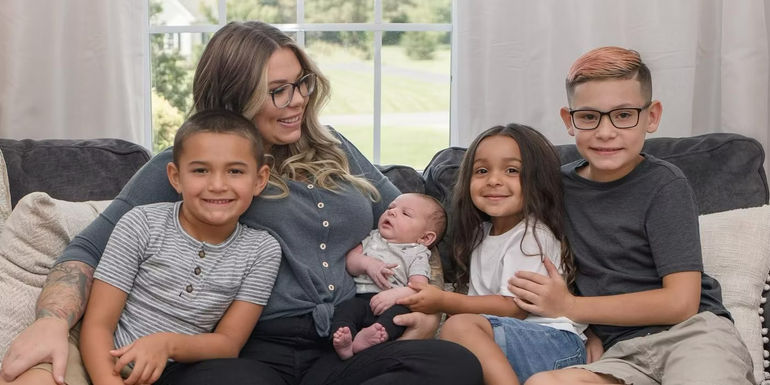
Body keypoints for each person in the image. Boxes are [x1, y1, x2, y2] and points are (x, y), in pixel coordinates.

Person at [0, 21, 482, 385]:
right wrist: (49, 322)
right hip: (252, 350)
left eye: (302, 83)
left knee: (453, 364)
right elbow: (87, 250)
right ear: (234, 96)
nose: (297, 101)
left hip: (346, 340)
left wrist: (423, 305)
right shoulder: (193, 165)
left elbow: (420, 223)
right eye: (277, 91)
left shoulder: (335, 145)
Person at [507, 47, 754, 385]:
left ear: (651, 116)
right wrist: (585, 329)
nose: (606, 132)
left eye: (623, 115)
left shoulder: (665, 184)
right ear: (569, 120)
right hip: (621, 352)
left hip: (692, 336)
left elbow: (681, 302)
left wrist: (572, 307)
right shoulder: (554, 188)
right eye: (589, 116)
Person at [79, 109, 281, 385]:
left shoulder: (262, 250)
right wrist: (107, 380)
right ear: (176, 177)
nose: (218, 185)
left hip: (184, 370)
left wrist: (167, 344)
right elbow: (98, 325)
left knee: (250, 377)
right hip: (114, 363)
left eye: (235, 171)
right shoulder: (142, 223)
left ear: (259, 180)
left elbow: (228, 343)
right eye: (200, 170)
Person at [397, 123, 587, 385]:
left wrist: (444, 300)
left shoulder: (531, 235)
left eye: (512, 170)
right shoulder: (480, 234)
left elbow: (514, 308)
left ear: (536, 180)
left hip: (554, 343)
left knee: (459, 326)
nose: (494, 180)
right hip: (512, 341)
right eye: (482, 171)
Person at [331, 192, 446, 359]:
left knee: (399, 317)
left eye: (405, 213)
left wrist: (394, 295)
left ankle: (372, 337)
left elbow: (420, 288)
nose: (392, 212)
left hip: (393, 303)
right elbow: (350, 261)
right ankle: (345, 343)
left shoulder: (417, 253)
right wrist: (368, 264)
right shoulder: (372, 237)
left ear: (425, 237)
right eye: (391, 207)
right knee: (344, 310)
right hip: (360, 298)